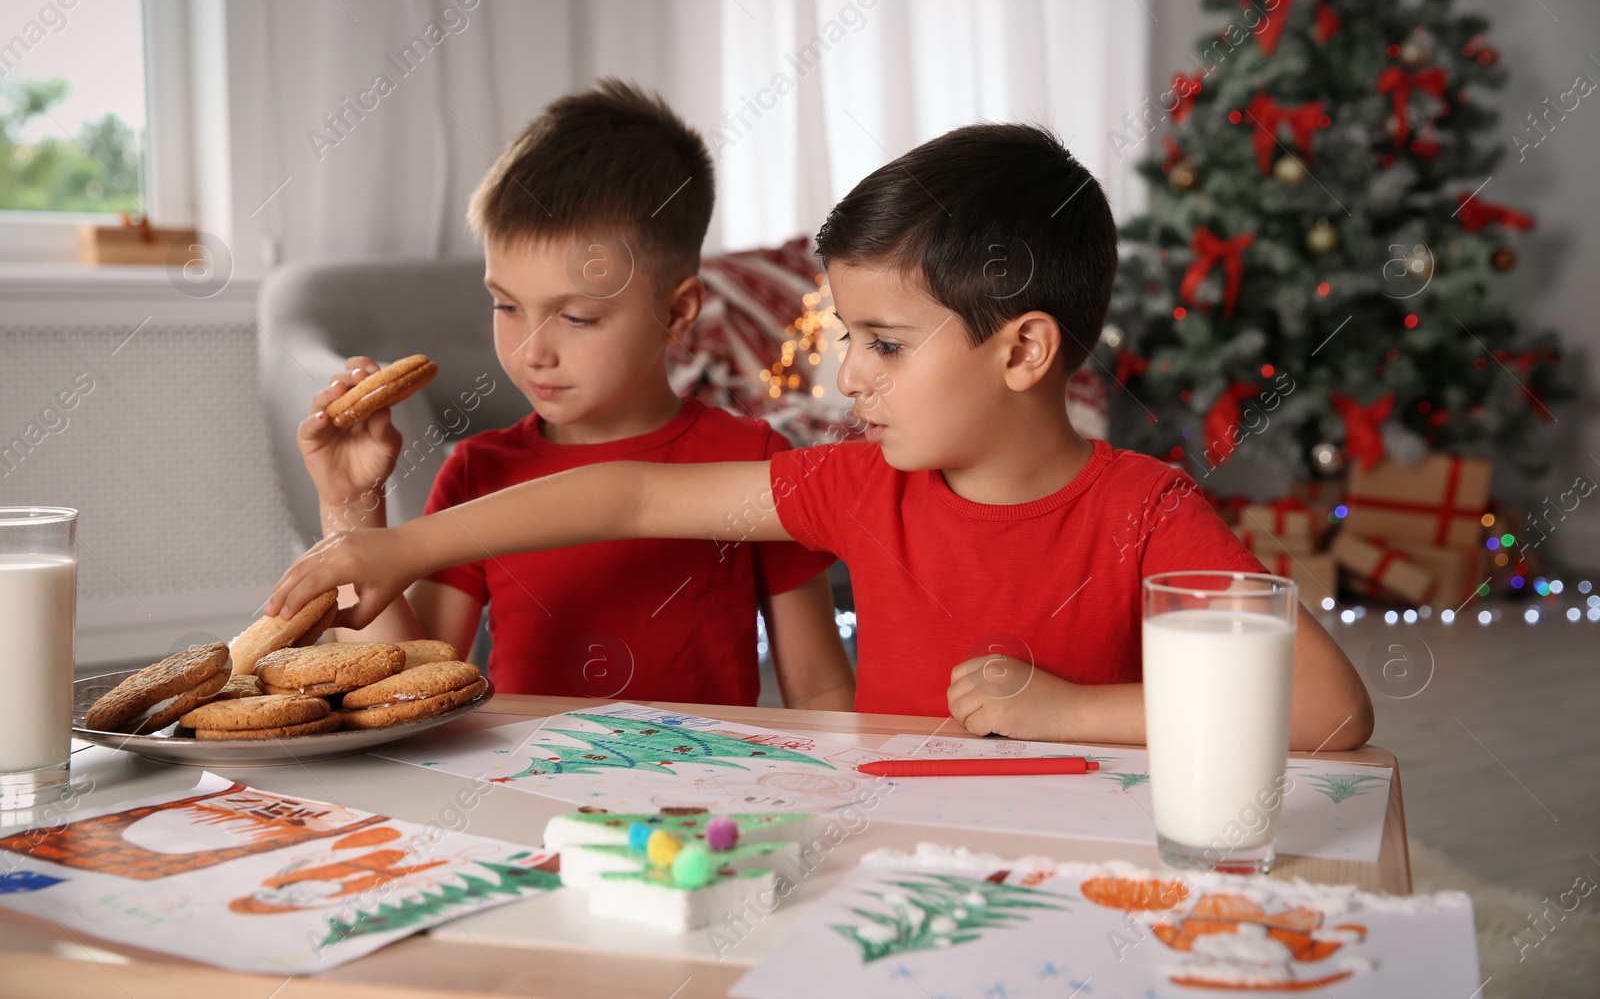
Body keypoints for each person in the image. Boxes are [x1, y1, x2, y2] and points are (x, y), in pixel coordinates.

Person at [272, 121, 1373, 749]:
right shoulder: (853, 485)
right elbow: (628, 496)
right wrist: (396, 544)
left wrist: (1071, 709)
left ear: (1024, 350)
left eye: (885, 344)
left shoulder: (1145, 508)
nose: (849, 376)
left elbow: (1331, 714)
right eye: (852, 336)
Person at [294, 79, 851, 710]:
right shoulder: (480, 472)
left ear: (680, 310)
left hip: (697, 800)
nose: (533, 351)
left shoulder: (752, 461)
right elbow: (392, 696)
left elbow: (821, 689)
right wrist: (350, 503)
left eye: (577, 318)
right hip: (521, 799)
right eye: (505, 305)